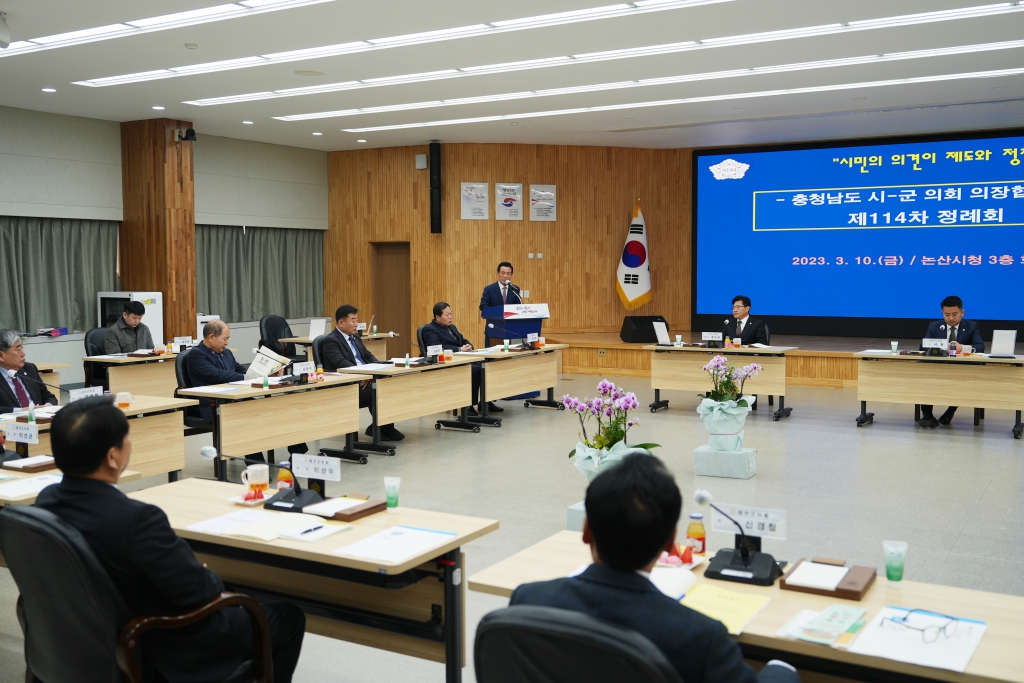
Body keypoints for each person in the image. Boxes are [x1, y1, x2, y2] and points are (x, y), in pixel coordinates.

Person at [35, 396, 305, 683]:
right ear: (113, 457)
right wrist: (206, 573)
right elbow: (200, 591)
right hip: (162, 644)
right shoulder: (137, 520)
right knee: (287, 617)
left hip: (86, 638)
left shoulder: (46, 500)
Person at [511, 454, 798, 683]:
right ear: (670, 542)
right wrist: (782, 667)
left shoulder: (527, 601)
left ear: (586, 531)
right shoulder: (700, 637)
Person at [184, 321, 305, 460]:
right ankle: (257, 467)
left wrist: (267, 373)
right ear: (211, 337)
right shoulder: (196, 355)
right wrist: (249, 377)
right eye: (225, 339)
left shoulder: (226, 353)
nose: (227, 343)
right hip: (214, 404)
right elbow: (217, 375)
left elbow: (243, 371)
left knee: (278, 412)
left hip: (236, 399)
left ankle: (297, 456)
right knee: (247, 422)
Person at [322, 305, 404, 441]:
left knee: (390, 387)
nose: (357, 324)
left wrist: (382, 369)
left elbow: (368, 355)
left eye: (357, 320)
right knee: (376, 392)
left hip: (364, 378)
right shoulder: (331, 340)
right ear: (341, 323)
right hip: (348, 384)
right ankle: (382, 429)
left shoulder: (355, 338)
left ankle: (382, 427)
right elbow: (341, 363)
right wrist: (364, 375)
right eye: (353, 320)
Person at [918, 295, 985, 428]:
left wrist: (963, 348)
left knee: (961, 381)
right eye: (946, 314)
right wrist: (941, 348)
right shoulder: (935, 326)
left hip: (961, 369)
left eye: (955, 314)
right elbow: (923, 347)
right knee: (925, 378)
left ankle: (950, 411)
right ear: (942, 313)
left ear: (962, 312)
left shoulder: (971, 326)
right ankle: (927, 415)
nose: (951, 318)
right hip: (937, 368)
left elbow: (980, 346)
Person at [422, 302, 499, 415]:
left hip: (461, 359)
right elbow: (437, 348)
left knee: (486, 366)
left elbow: (462, 340)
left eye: (451, 314)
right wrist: (459, 349)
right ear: (437, 317)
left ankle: (485, 402)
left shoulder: (452, 327)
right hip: (445, 364)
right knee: (475, 369)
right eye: (447, 315)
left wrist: (469, 345)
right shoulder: (430, 329)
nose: (450, 317)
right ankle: (468, 405)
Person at [0, 329, 58, 413]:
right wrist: (22, 410)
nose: (23, 353)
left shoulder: (29, 369)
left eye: (22, 348)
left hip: (39, 419)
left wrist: (47, 406)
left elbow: (49, 396)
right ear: (1, 356)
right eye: (18, 350)